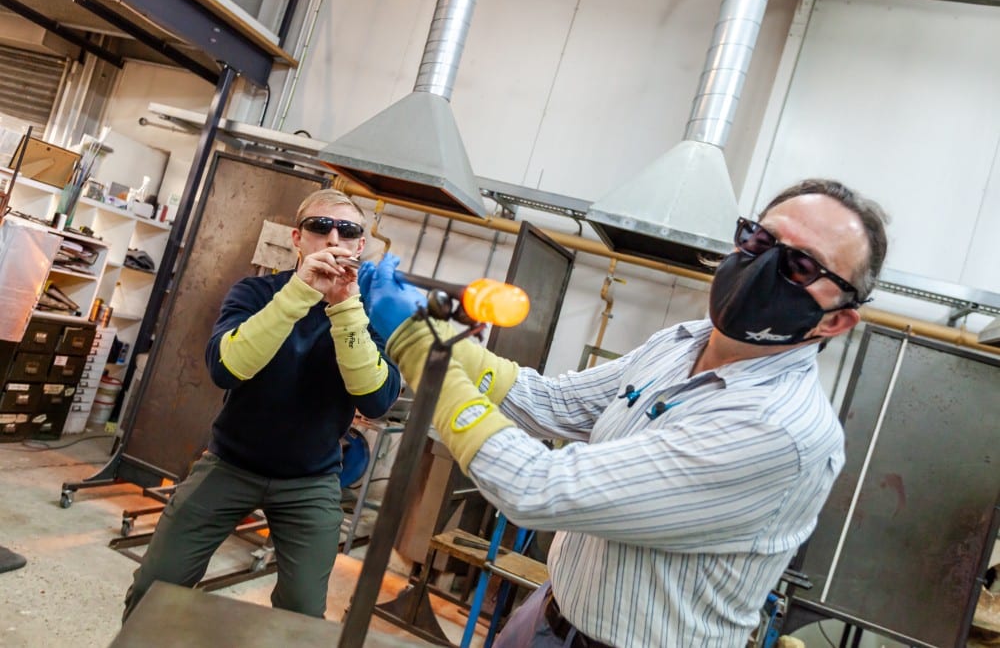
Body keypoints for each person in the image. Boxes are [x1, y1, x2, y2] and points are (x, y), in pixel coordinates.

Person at [359, 179, 889, 647]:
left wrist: (418, 348)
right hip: (548, 617)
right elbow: (554, 404)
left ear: (835, 322)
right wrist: (448, 340)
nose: (763, 266)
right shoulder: (681, 341)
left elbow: (536, 487)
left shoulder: (780, 429)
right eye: (759, 240)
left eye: (800, 266)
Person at [123, 189, 400, 620]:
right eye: (319, 226)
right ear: (297, 237)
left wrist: (344, 308)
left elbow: (377, 399)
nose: (332, 238)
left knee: (301, 615)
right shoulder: (254, 293)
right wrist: (300, 293)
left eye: (346, 231)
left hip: (311, 481)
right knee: (154, 586)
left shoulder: (366, 315)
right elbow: (227, 369)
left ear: (359, 246)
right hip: (231, 464)